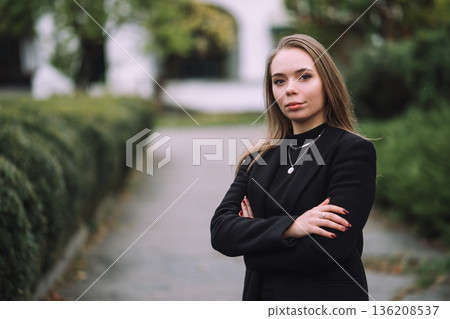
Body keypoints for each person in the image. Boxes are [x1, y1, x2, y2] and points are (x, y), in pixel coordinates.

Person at [210, 34, 376, 301]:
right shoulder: (258, 158)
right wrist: (292, 226)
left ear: (327, 83)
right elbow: (221, 232)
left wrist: (253, 248)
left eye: (304, 77)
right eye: (279, 81)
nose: (290, 89)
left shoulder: (351, 150)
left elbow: (327, 251)